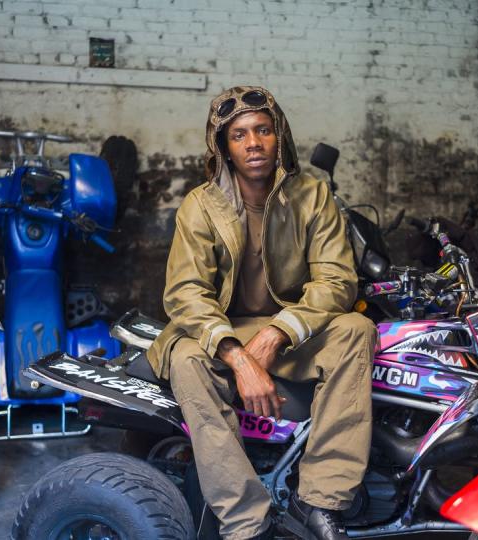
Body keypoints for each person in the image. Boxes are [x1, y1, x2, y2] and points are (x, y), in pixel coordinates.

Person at [146, 86, 376, 540]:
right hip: (215, 331)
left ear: (279, 136)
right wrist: (238, 356)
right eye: (239, 135)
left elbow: (336, 281)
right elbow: (187, 293)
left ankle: (320, 501)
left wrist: (276, 334)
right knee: (186, 361)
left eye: (263, 130)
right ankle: (246, 522)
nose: (253, 143)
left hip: (291, 328)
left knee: (357, 328)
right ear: (224, 148)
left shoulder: (313, 195)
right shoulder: (201, 206)